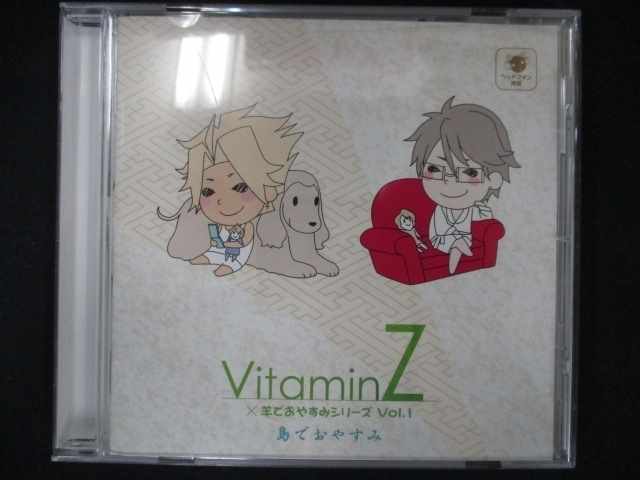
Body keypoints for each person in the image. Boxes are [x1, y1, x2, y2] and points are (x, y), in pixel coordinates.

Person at [405, 97, 520, 274]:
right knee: (453, 239)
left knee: (463, 240)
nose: (450, 182)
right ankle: (456, 249)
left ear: (493, 179)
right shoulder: (441, 210)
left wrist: (481, 216)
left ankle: (458, 248)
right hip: (441, 238)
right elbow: (438, 231)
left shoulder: (475, 209)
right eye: (435, 169)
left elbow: (482, 223)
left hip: (465, 238)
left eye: (470, 172)